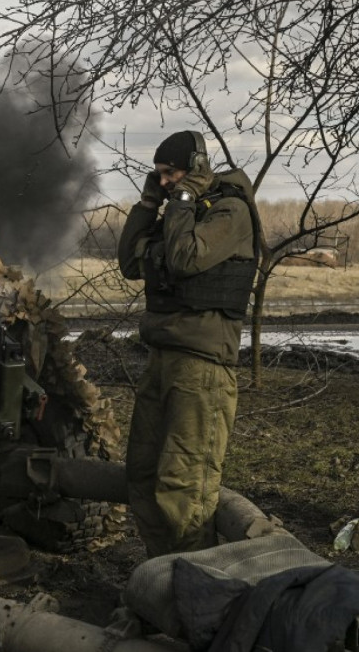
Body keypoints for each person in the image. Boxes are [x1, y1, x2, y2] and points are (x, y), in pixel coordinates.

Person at [116, 130, 261, 557]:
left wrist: (178, 202)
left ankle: (194, 592)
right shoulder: (179, 214)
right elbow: (129, 262)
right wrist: (147, 206)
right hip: (162, 358)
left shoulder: (229, 212)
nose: (164, 182)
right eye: (158, 175)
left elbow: (184, 258)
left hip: (202, 369)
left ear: (197, 169)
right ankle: (160, 581)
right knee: (142, 475)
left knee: (185, 486)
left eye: (170, 173)